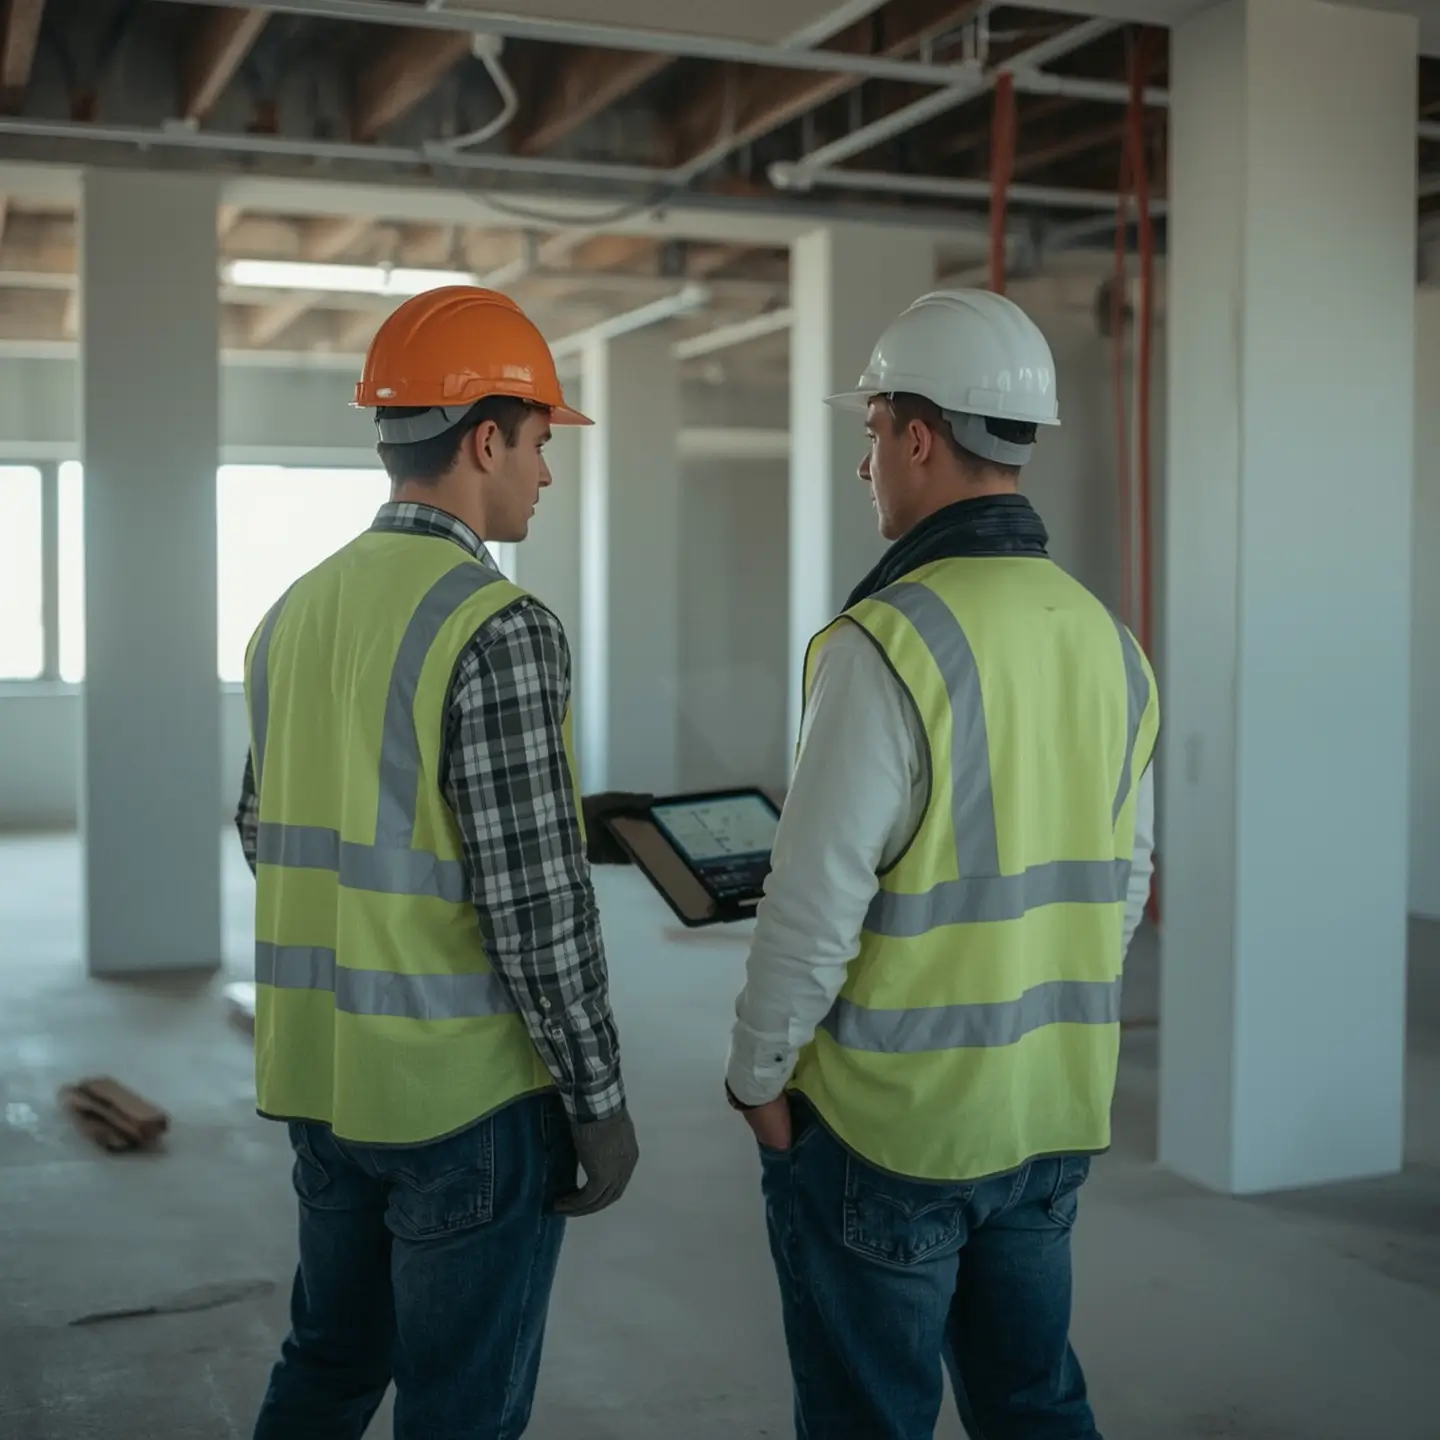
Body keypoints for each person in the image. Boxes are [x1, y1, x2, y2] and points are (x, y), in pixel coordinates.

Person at [725, 288, 1158, 1440]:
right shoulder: (1108, 642)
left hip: (894, 1132)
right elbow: (1123, 880)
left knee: (870, 1416)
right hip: (1050, 1114)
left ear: (918, 436)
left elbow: (813, 904)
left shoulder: (885, 645)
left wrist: (760, 1077)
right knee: (1033, 1403)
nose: (865, 462)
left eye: (870, 431)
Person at [237, 286, 639, 1440]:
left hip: (323, 1079)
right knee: (461, 1406)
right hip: (465, 1101)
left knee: (326, 1363)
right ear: (483, 439)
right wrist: (599, 1101)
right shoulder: (500, 624)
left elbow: (268, 829)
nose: (548, 474)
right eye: (542, 441)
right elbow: (536, 913)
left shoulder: (291, 613)